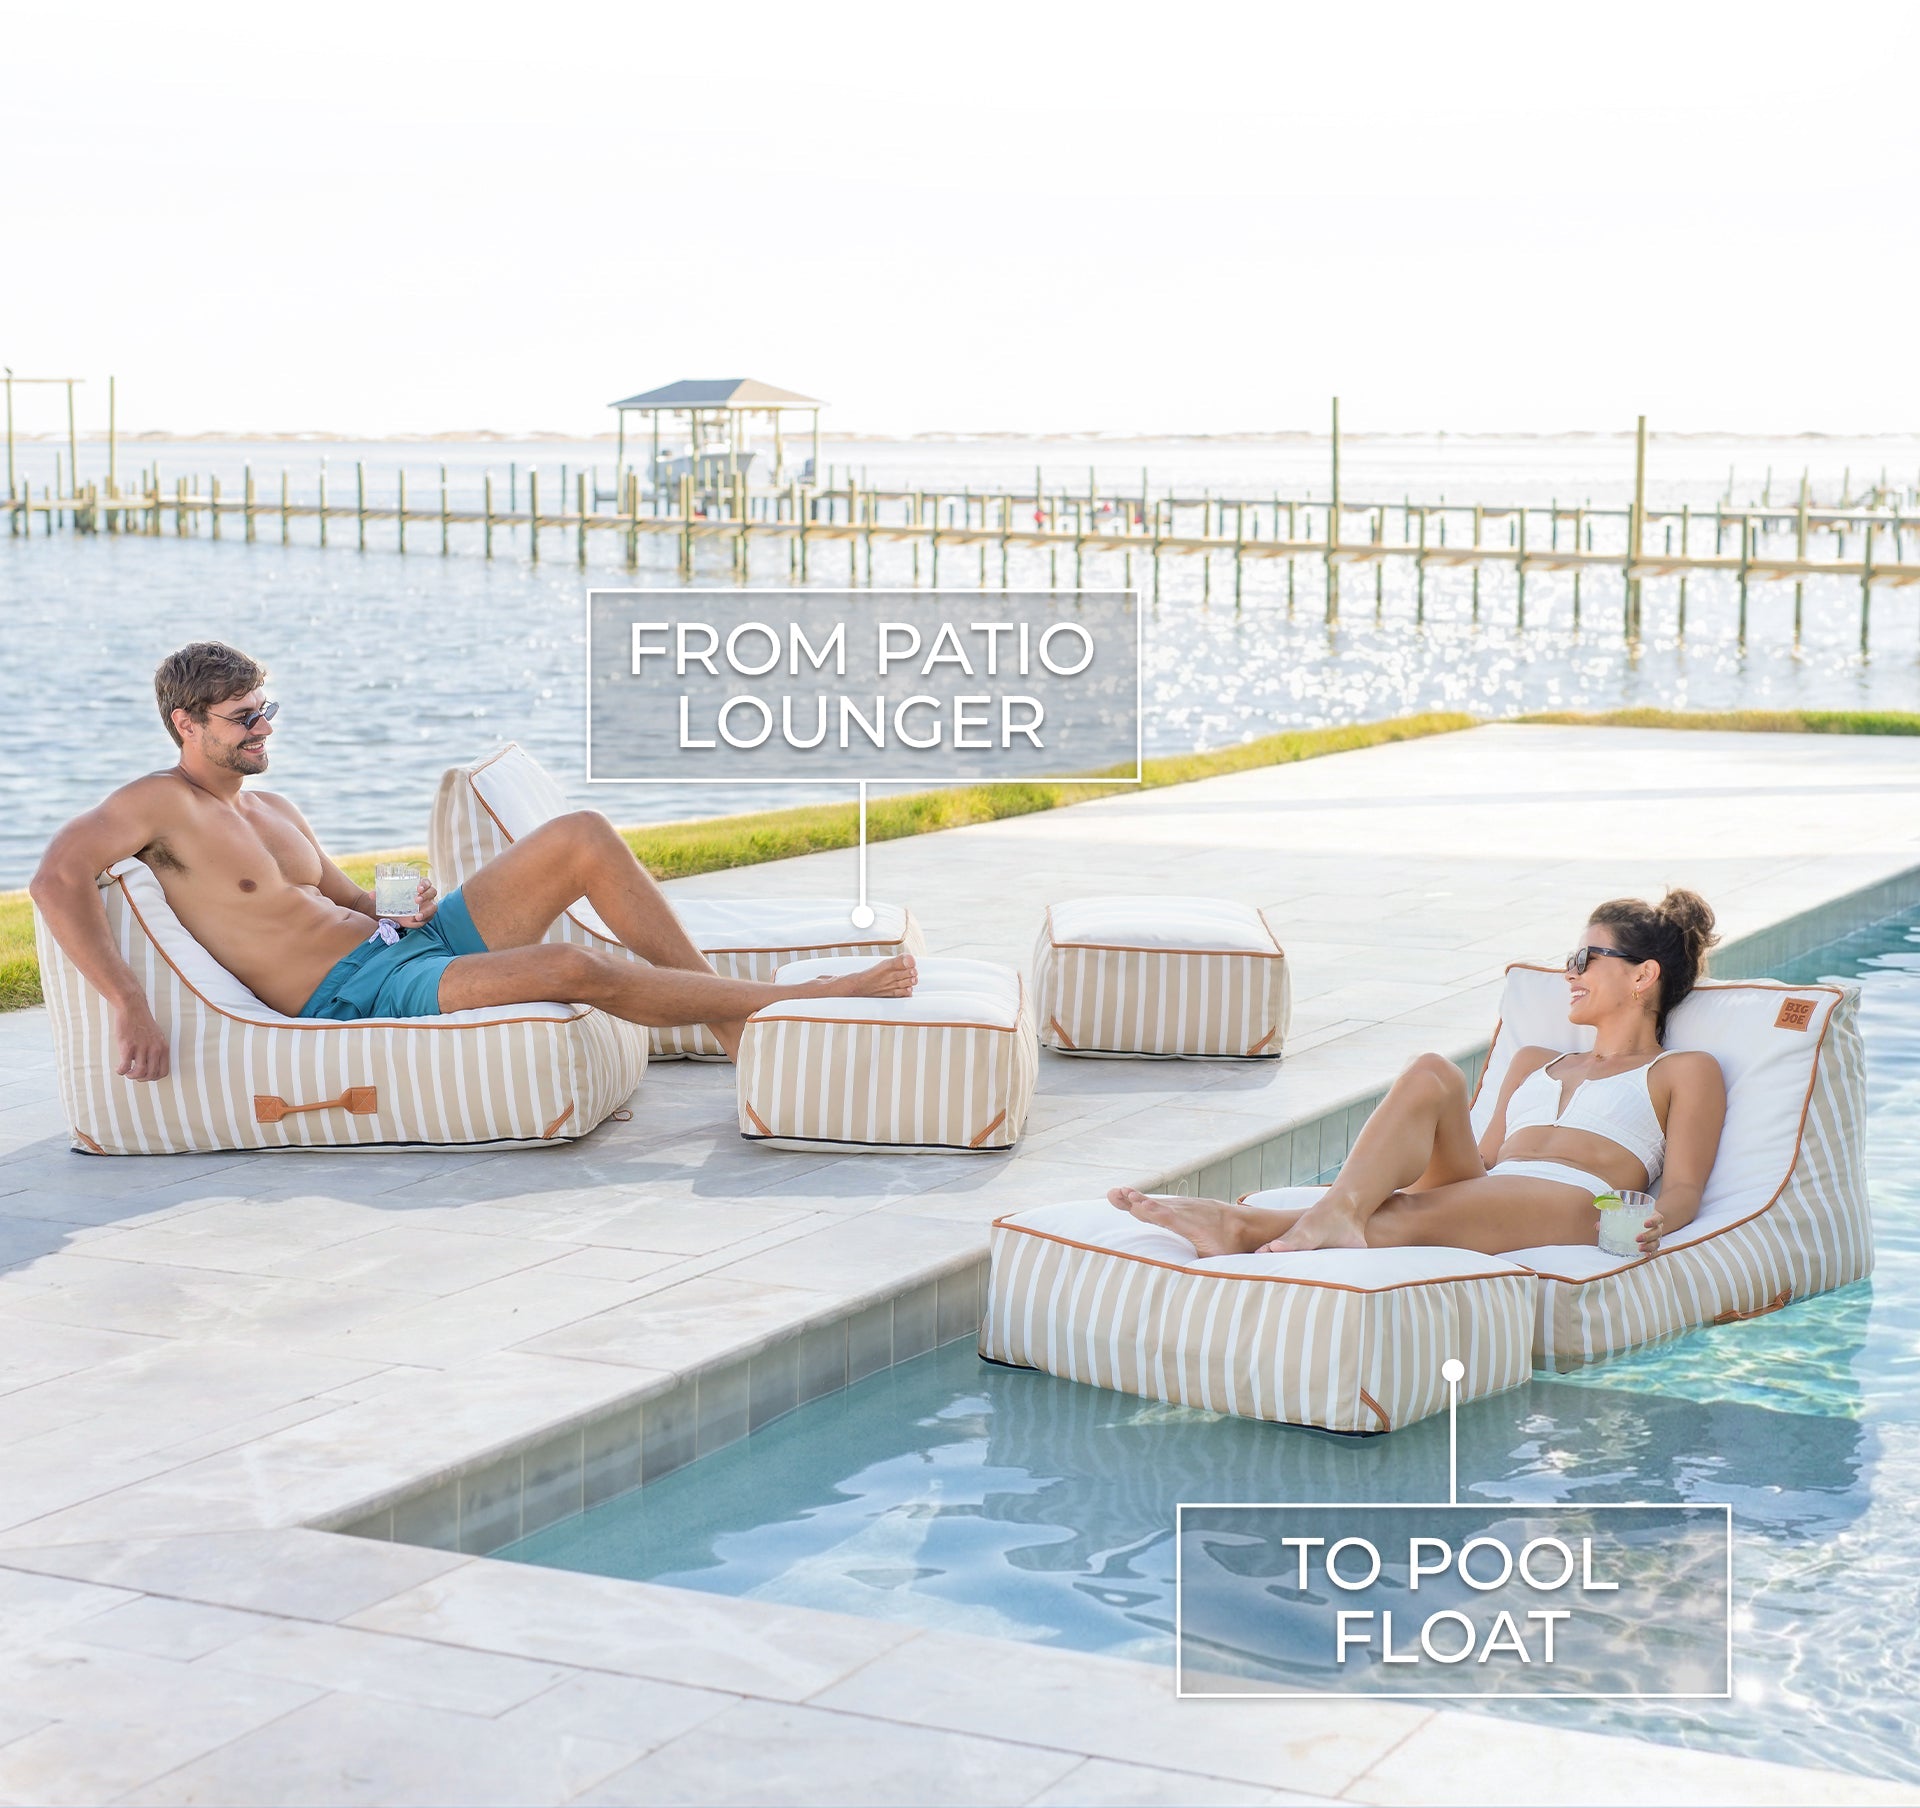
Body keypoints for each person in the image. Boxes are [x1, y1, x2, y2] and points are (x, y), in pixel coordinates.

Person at [30, 642, 915, 1084]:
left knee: (582, 834)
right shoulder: (155, 806)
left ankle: (732, 1031)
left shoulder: (271, 807)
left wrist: (400, 902)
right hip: (354, 991)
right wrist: (128, 1004)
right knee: (569, 966)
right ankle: (801, 1001)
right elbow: (56, 879)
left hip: (399, 944)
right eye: (243, 719)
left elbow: (347, 898)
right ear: (186, 724)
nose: (264, 730)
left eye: (268, 711)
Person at [1110, 890, 1726, 1259]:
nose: (1570, 972)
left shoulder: (1684, 1071)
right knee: (1432, 1071)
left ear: (1642, 975)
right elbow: (1484, 1164)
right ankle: (1340, 1208)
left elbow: (1683, 1187)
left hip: (1577, 1202)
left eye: (1585, 958)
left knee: (1407, 1215)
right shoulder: (1535, 1061)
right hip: (1495, 1185)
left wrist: (1658, 1222)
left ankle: (1242, 1224)